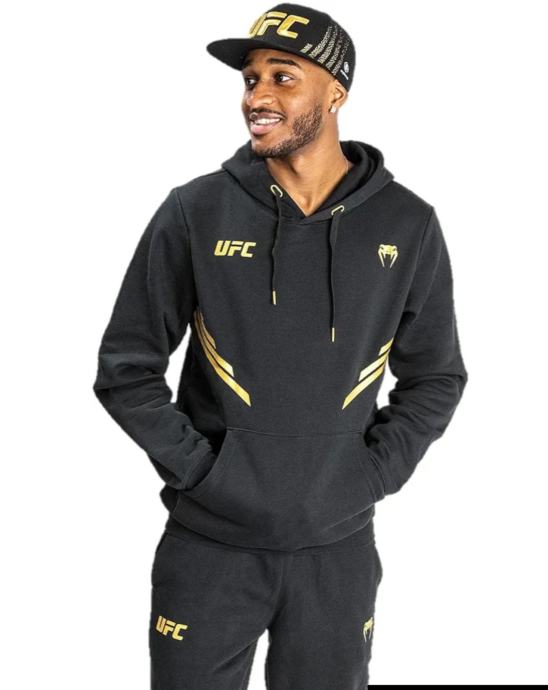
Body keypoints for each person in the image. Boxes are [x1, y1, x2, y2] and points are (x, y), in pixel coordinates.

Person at [92, 3, 469, 688]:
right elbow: (126, 369)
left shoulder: (407, 223)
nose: (257, 97)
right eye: (250, 80)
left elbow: (436, 376)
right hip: (209, 550)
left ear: (336, 92)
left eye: (282, 77)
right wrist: (206, 474)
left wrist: (370, 476)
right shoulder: (196, 211)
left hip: (337, 554)